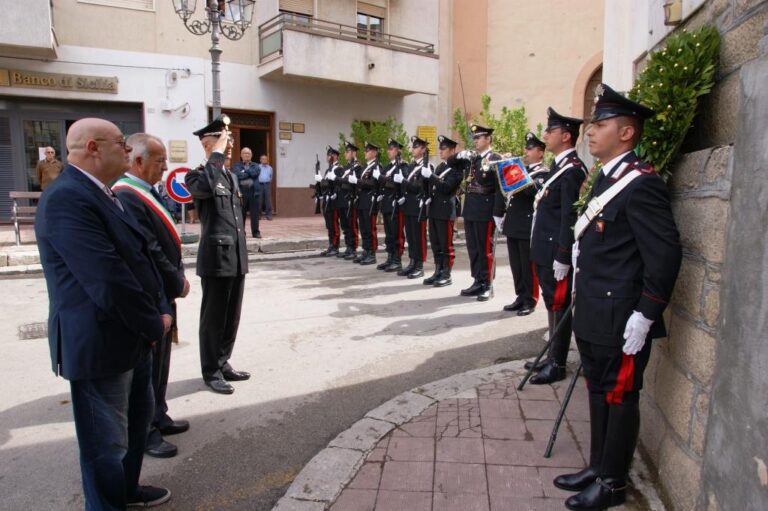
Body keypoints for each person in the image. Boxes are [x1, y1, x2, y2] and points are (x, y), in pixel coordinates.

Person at [553, 84, 682, 510]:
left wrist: (645, 315)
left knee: (620, 396)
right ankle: (597, 466)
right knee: (597, 390)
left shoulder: (641, 184)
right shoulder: (606, 177)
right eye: (591, 124)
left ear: (626, 133)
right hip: (593, 308)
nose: (590, 132)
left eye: (600, 125)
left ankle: (612, 484)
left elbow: (663, 256)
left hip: (620, 315)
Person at [35, 118, 173, 509]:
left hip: (132, 337)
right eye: (121, 144)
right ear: (93, 147)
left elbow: (138, 259)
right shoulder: (66, 198)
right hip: (101, 344)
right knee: (105, 447)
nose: (128, 152)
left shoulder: (104, 193)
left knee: (131, 431)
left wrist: (157, 311)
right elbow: (108, 279)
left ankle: (126, 493)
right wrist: (154, 322)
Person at [113, 133, 191, 460]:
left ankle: (159, 413)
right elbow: (150, 249)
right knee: (148, 368)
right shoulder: (128, 195)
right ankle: (146, 431)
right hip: (152, 293)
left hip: (162, 292)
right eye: (159, 161)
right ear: (139, 161)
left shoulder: (146, 191)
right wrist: (176, 282)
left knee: (161, 364)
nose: (165, 166)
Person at [185, 116, 250, 395]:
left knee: (231, 316)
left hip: (235, 255)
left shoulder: (231, 175)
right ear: (207, 144)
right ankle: (210, 370)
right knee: (213, 318)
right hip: (215, 258)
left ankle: (223, 361)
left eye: (230, 140)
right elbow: (205, 189)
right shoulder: (197, 175)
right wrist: (216, 154)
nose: (229, 145)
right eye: (223, 141)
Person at [526, 108, 588, 384]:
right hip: (545, 249)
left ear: (565, 136)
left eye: (550, 131)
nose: (545, 136)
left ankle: (558, 364)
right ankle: (551, 355)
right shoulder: (559, 168)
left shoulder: (572, 170)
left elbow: (568, 216)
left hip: (555, 252)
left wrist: (564, 255)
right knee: (551, 302)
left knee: (559, 304)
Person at [456, 124, 505, 301]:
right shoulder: (474, 159)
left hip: (486, 209)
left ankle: (487, 284)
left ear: (488, 139)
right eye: (474, 138)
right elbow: (452, 163)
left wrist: (499, 211)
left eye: (478, 137)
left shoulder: (495, 158)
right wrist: (461, 155)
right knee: (473, 248)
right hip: (471, 208)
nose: (475, 141)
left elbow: (500, 187)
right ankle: (477, 280)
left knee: (485, 249)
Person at [502, 132, 549, 316]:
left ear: (540, 153)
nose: (526, 151)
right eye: (526, 148)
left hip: (527, 225)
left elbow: (531, 192)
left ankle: (530, 299)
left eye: (530, 148)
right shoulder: (524, 170)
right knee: (516, 265)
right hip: (514, 223)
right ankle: (520, 296)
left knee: (528, 266)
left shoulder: (543, 173)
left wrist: (514, 169)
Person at [422, 135, 465, 287]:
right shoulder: (441, 167)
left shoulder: (457, 169)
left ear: (452, 150)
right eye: (440, 148)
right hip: (434, 209)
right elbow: (433, 186)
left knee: (446, 245)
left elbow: (447, 187)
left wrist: (431, 177)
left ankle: (446, 274)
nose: (441, 151)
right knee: (435, 244)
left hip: (446, 211)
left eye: (444, 148)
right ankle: (438, 271)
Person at [397, 136, 431, 278]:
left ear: (423, 150)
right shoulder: (411, 166)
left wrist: (404, 181)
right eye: (413, 146)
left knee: (419, 237)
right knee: (410, 236)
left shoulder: (427, 166)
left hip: (418, 207)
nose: (413, 149)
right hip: (409, 206)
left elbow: (418, 187)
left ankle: (419, 266)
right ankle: (412, 262)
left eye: (416, 147)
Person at [377, 138, 408, 272]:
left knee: (397, 233)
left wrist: (383, 179)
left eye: (391, 149)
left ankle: (397, 260)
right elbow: (383, 183)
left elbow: (400, 184)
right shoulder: (388, 167)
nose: (388, 151)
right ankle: (390, 257)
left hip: (396, 204)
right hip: (387, 204)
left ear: (398, 150)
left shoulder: (403, 166)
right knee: (389, 234)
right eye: (388, 149)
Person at [354, 142, 381, 265]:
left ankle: (372, 253)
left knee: (370, 229)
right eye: (365, 150)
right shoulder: (365, 166)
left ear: (374, 153)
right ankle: (365, 250)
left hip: (370, 202)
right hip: (362, 201)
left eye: (368, 150)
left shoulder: (376, 166)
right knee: (363, 228)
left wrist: (358, 181)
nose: (365, 152)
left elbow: (373, 184)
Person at [335, 141, 362, 260]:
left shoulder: (358, 167)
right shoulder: (345, 168)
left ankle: (353, 248)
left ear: (354, 153)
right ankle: (348, 246)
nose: (345, 154)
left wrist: (340, 180)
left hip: (350, 200)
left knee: (352, 225)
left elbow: (355, 184)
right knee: (345, 225)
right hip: (342, 200)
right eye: (345, 151)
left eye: (347, 151)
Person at [233, 147, 261, 238]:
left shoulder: (256, 165)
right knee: (241, 213)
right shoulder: (237, 165)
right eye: (245, 153)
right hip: (242, 192)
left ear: (251, 155)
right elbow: (238, 175)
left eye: (249, 153)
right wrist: (248, 172)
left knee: (255, 214)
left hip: (254, 192)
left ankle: (256, 232)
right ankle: (241, 232)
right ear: (241, 155)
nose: (247, 155)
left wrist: (245, 171)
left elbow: (255, 173)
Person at [318, 145, 341, 256]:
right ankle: (331, 245)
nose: (327, 157)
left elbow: (337, 184)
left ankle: (335, 246)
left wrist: (323, 181)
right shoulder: (329, 169)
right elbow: (325, 185)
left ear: (335, 156)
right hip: (327, 200)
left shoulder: (339, 169)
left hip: (333, 201)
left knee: (334, 224)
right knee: (329, 224)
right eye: (327, 155)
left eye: (329, 155)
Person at [257, 154, 273, 220]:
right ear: (260, 160)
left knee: (268, 200)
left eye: (265, 159)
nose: (264, 160)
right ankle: (258, 215)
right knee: (259, 200)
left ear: (267, 160)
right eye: (262, 159)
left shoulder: (270, 168)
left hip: (267, 184)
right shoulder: (257, 167)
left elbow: (271, 177)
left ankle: (268, 215)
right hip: (259, 184)